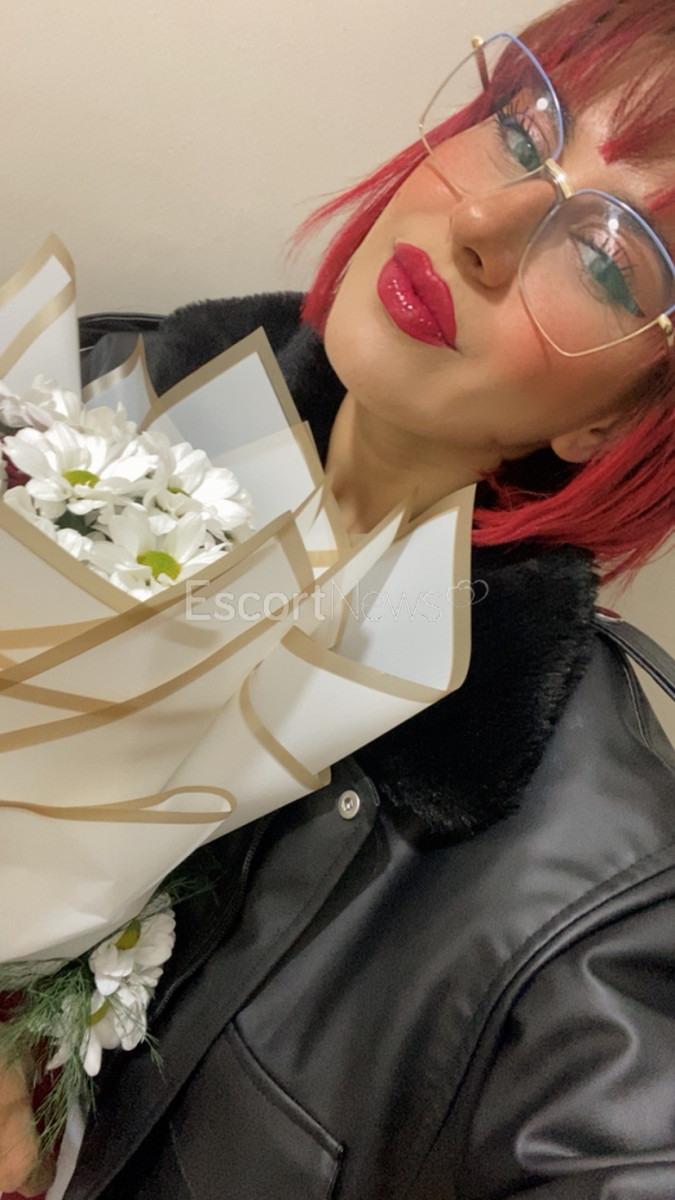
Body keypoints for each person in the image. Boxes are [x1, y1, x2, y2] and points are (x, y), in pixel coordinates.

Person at [3, 0, 675, 1194]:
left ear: (613, 421)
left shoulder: (586, 890)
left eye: (607, 259)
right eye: (522, 130)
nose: (482, 223)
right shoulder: (94, 402)